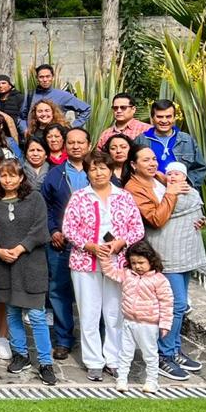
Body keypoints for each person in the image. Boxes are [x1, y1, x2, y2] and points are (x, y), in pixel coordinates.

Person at [124, 149, 206, 381]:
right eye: (146, 160)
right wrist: (171, 194)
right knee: (175, 304)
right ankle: (164, 354)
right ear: (134, 165)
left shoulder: (162, 179)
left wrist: (194, 218)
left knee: (180, 305)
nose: (152, 163)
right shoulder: (134, 188)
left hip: (183, 249)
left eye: (154, 159)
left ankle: (174, 349)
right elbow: (156, 219)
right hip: (164, 251)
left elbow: (184, 204)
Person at [61, 149, 145, 381]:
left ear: (110, 170)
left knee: (114, 312)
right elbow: (69, 228)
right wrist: (89, 246)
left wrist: (120, 242)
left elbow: (137, 228)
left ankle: (114, 359)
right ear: (87, 172)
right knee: (88, 312)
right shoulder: (79, 197)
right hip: (85, 262)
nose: (98, 173)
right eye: (93, 169)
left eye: (102, 168)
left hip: (118, 262)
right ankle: (93, 361)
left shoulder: (124, 197)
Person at [0, 159, 57, 386]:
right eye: (3, 176)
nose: (8, 180)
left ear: (21, 177)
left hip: (31, 265)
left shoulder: (34, 199)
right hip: (4, 266)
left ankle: (45, 362)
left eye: (12, 175)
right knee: (12, 313)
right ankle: (21, 354)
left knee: (36, 315)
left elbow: (40, 229)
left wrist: (20, 248)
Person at [40, 127, 92, 361]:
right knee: (59, 290)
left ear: (89, 145)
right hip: (62, 242)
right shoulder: (55, 174)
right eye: (71, 142)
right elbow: (45, 206)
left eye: (80, 142)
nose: (76, 146)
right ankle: (63, 339)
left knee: (92, 293)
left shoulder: (98, 170)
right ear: (65, 145)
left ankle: (95, 339)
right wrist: (53, 230)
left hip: (92, 245)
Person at [107, 241, 175, 394]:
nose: (137, 266)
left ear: (151, 260)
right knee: (125, 353)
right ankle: (122, 380)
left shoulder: (159, 279)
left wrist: (165, 324)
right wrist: (105, 256)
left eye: (141, 262)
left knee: (150, 354)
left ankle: (152, 381)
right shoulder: (127, 274)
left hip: (148, 324)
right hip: (129, 321)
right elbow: (110, 272)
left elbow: (167, 303)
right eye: (133, 263)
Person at [137, 99, 206, 189]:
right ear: (152, 118)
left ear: (174, 118)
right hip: (150, 191)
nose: (164, 120)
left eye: (168, 116)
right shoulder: (141, 140)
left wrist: (184, 185)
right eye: (159, 117)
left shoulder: (186, 140)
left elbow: (199, 168)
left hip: (181, 192)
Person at [20, 63, 91, 134]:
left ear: (53, 77)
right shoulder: (30, 96)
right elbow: (21, 117)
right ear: (37, 78)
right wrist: (25, 129)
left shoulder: (63, 95)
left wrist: (71, 128)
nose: (45, 80)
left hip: (56, 137)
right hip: (35, 136)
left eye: (48, 76)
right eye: (41, 77)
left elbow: (86, 109)